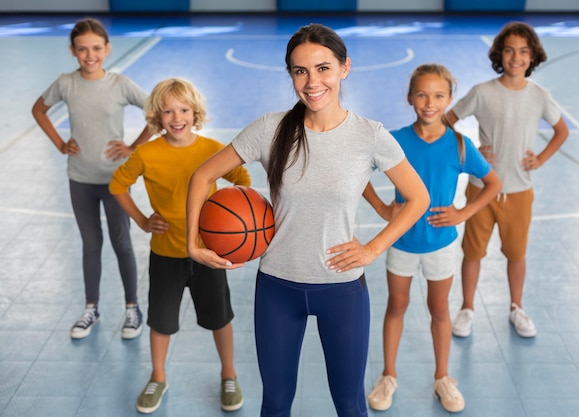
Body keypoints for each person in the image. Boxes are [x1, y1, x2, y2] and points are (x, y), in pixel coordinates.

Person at [186, 24, 430, 417]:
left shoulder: (369, 135)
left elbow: (418, 198)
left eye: (323, 68)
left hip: (342, 289)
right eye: (300, 71)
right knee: (277, 402)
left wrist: (373, 248)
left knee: (349, 404)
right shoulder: (270, 129)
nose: (312, 81)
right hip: (278, 287)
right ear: (291, 75)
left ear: (344, 68)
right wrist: (192, 244)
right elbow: (202, 176)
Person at [363, 63, 501, 413]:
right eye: (422, 94)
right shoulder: (395, 140)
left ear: (449, 99)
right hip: (402, 241)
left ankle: (443, 377)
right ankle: (388, 376)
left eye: (439, 95)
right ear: (410, 98)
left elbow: (493, 184)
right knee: (396, 306)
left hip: (441, 243)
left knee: (439, 309)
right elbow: (358, 171)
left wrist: (463, 213)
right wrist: (381, 208)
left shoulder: (459, 144)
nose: (430, 102)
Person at [109, 77, 250, 413]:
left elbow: (241, 180)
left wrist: (226, 224)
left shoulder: (212, 150)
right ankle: (158, 376)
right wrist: (143, 221)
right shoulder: (146, 153)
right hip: (166, 253)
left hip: (208, 254)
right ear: (157, 116)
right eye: (168, 111)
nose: (176, 117)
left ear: (195, 112)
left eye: (183, 109)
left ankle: (228, 374)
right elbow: (118, 185)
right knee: (161, 322)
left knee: (220, 319)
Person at [31, 17, 152, 340]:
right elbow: (39, 110)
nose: (90, 55)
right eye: (82, 49)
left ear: (107, 49)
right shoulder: (65, 83)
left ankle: (132, 308)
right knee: (90, 245)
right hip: (80, 179)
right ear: (72, 51)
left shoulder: (120, 84)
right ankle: (91, 308)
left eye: (96, 48)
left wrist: (132, 147)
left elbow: (155, 112)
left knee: (122, 243)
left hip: (115, 181)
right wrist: (60, 144)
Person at [447, 21, 569, 338]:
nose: (516, 57)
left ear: (533, 57)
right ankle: (467, 308)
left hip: (519, 192)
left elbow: (561, 131)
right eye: (510, 50)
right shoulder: (482, 92)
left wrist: (540, 159)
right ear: (500, 54)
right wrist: (470, 149)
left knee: (516, 254)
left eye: (523, 51)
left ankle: (517, 307)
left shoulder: (540, 96)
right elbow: (447, 122)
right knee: (472, 253)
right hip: (481, 191)